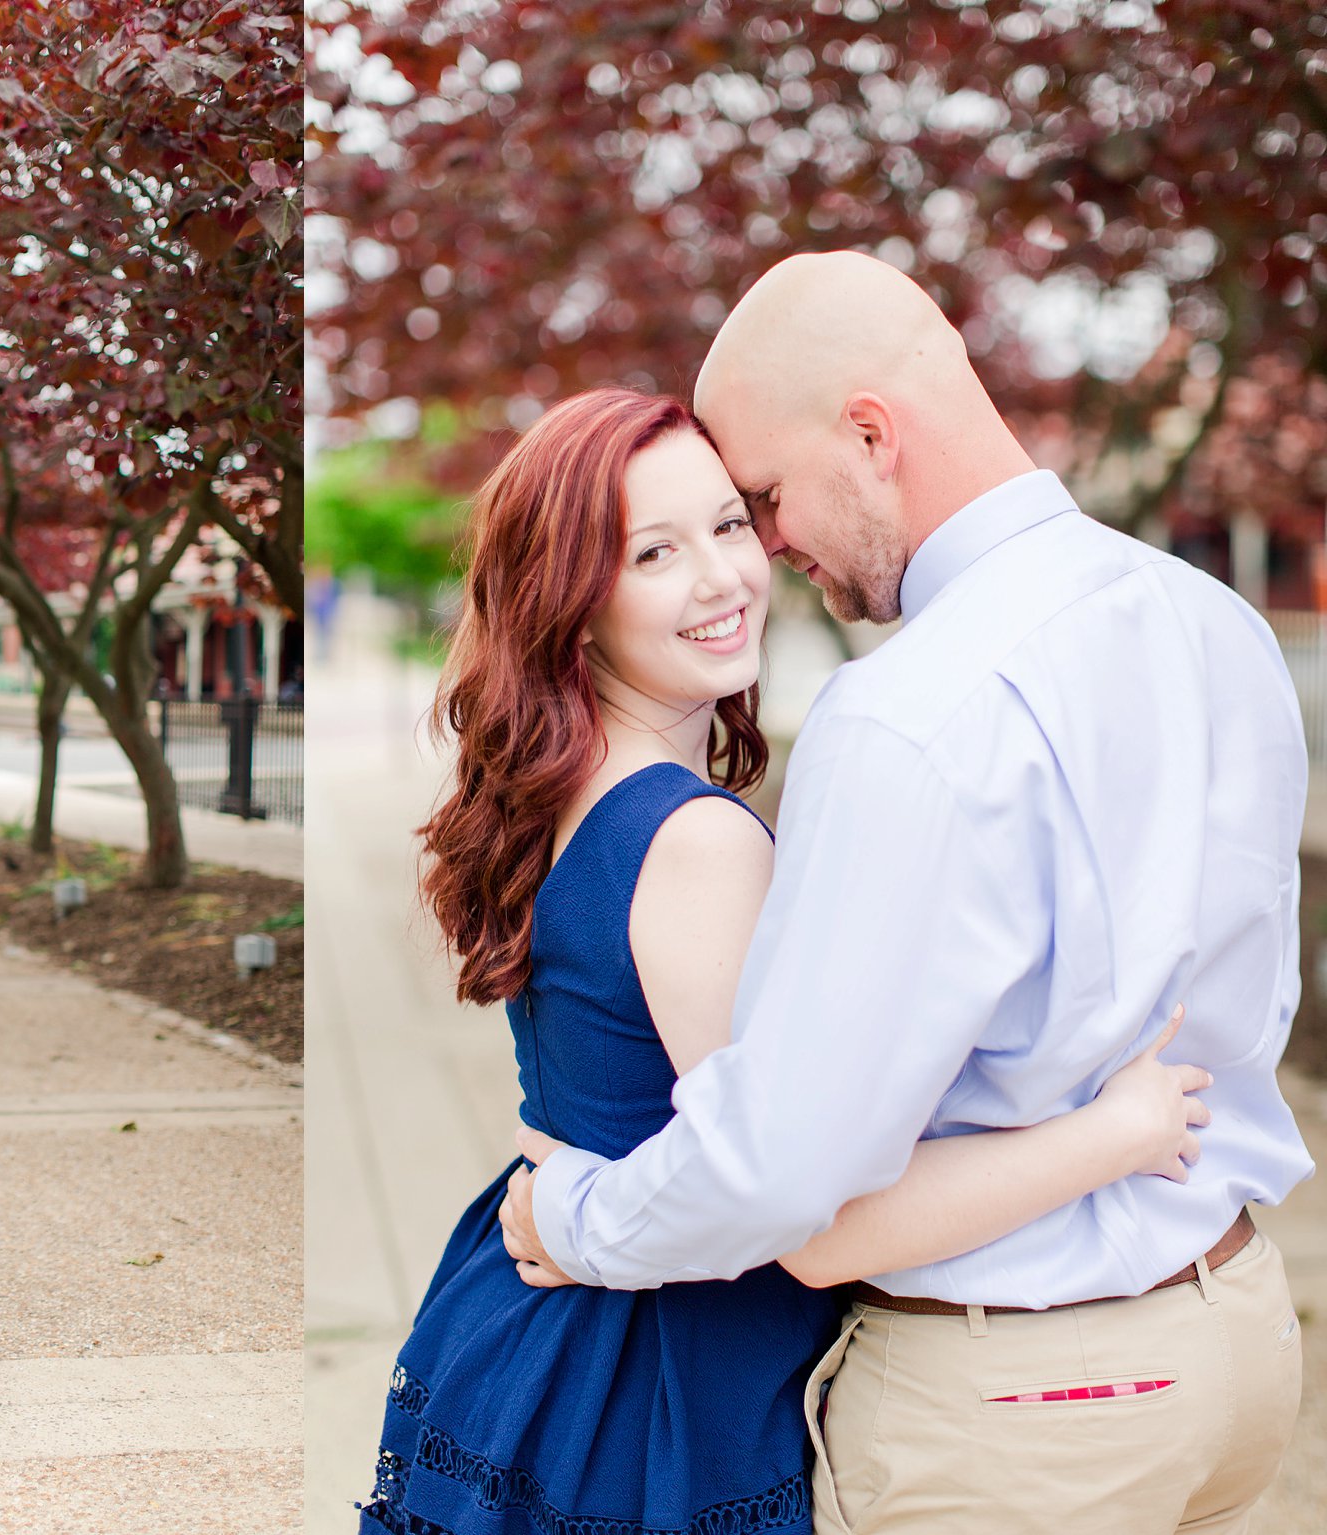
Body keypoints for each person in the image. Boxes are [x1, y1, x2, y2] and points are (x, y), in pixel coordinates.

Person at [503, 255, 1312, 1534]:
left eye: (760, 499)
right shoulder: (1214, 621)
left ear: (869, 435)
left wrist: (575, 1213)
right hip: (1234, 1347)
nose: (765, 547)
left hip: (1018, 1410)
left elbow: (789, 1183)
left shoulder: (906, 713)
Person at [358, 387, 1212, 1535]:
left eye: (727, 523)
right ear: (569, 597)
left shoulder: (557, 795)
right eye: (654, 551)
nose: (722, 576)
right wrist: (1117, 1132)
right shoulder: (691, 840)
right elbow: (811, 1213)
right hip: (655, 1368)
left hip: (529, 1326)